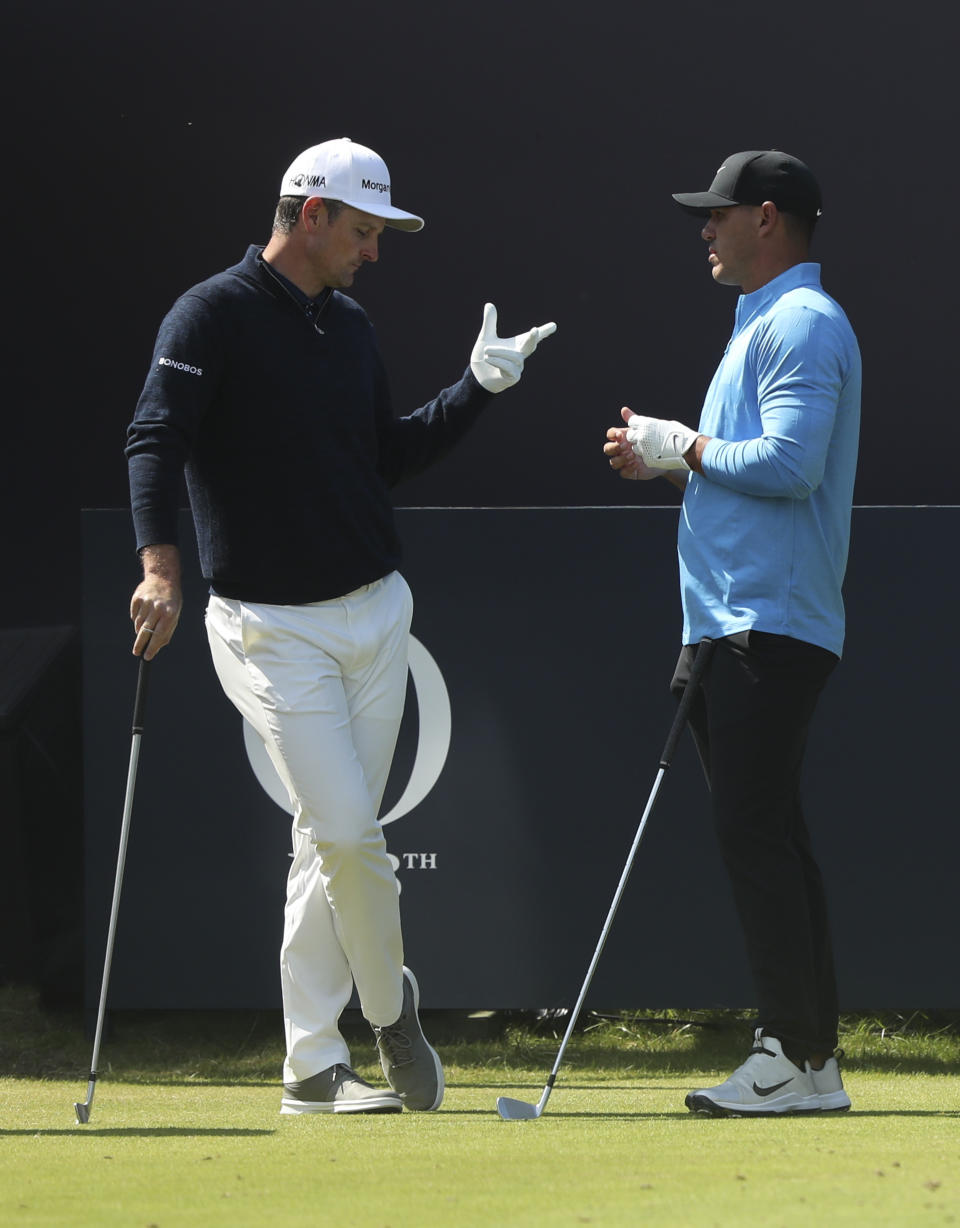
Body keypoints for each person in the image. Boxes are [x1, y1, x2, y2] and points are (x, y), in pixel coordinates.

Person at [125, 137, 556, 1115]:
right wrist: (159, 565)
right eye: (364, 231)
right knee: (352, 834)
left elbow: (385, 457)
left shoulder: (350, 327)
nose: (375, 250)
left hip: (377, 614)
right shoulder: (212, 313)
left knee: (327, 842)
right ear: (309, 214)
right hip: (272, 631)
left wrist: (474, 391)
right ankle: (389, 1010)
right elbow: (156, 435)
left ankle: (312, 1067)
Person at [603, 150, 861, 1117]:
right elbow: (743, 473)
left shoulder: (801, 321)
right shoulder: (759, 321)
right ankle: (817, 1062)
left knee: (756, 838)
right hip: (729, 617)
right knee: (774, 838)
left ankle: (787, 1052)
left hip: (768, 621)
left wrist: (689, 445)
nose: (704, 231)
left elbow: (792, 465)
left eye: (717, 216)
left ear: (768, 218)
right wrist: (669, 460)